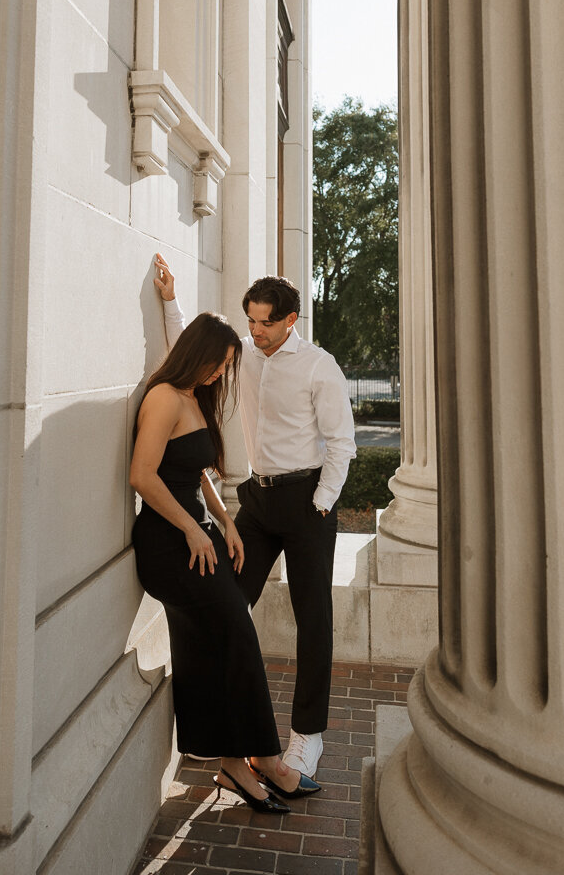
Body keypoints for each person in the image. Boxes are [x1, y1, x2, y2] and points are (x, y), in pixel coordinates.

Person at [154, 257, 356, 779]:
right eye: (251, 321)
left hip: (309, 500)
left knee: (314, 620)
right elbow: (192, 352)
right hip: (258, 503)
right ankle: (219, 729)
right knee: (223, 603)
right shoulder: (244, 354)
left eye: (266, 321)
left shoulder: (319, 365)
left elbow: (342, 443)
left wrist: (321, 502)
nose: (256, 331)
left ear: (291, 319)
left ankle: (307, 738)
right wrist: (171, 300)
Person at [130, 309, 321, 811]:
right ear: (197, 354)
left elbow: (198, 474)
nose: (220, 373)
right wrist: (194, 527)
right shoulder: (163, 398)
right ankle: (263, 760)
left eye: (226, 366)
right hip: (168, 545)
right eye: (216, 363)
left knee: (207, 644)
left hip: (198, 537)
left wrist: (226, 520)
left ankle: (237, 763)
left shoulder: (193, 396)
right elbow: (143, 476)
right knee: (237, 633)